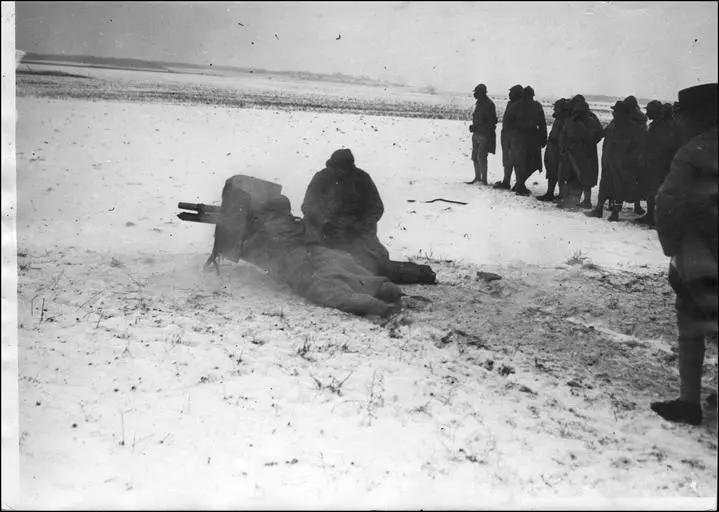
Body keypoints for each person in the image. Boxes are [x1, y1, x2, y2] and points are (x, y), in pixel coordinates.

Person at [651, 83, 718, 426]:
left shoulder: (693, 151)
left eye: (685, 114)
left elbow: (669, 204)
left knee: (692, 322)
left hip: (700, 255)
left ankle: (689, 402)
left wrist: (674, 247)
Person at [302, 149, 437, 284]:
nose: (339, 173)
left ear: (349, 168)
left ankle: (421, 273)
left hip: (356, 234)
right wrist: (325, 223)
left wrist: (358, 227)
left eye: (343, 170)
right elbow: (308, 205)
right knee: (318, 264)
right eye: (336, 169)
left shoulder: (361, 178)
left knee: (373, 267)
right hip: (327, 233)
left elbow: (376, 207)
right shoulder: (322, 178)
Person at [586, 100, 645, 221]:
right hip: (608, 160)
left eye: (616, 111)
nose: (613, 113)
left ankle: (615, 213)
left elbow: (640, 145)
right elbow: (602, 134)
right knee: (604, 185)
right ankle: (599, 209)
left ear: (622, 113)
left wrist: (629, 158)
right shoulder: (613, 124)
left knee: (619, 187)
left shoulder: (632, 127)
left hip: (622, 164)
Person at [635, 100, 683, 226]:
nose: (647, 113)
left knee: (654, 191)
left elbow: (662, 146)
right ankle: (651, 215)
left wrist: (650, 159)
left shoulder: (663, 125)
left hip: (658, 164)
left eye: (649, 111)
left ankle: (654, 217)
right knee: (653, 191)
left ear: (655, 112)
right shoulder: (660, 124)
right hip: (657, 163)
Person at [557, 95, 604, 209]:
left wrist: (590, 143)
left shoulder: (589, 119)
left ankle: (585, 201)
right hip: (573, 152)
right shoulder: (571, 119)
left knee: (585, 176)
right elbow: (564, 135)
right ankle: (572, 199)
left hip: (585, 152)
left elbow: (599, 133)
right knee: (573, 175)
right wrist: (564, 148)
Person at [503, 85, 547, 196]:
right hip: (525, 137)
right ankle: (520, 185)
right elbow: (542, 124)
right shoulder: (530, 105)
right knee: (525, 162)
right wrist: (543, 138)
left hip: (524, 137)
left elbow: (507, 122)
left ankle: (520, 184)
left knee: (524, 162)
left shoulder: (519, 105)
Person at [537, 98, 569, 202]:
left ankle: (561, 195)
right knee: (551, 170)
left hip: (558, 148)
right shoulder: (560, 118)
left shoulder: (565, 119)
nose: (554, 108)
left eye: (556, 107)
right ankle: (550, 193)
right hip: (553, 146)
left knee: (560, 172)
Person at [493, 84, 524, 190]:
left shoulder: (520, 105)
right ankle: (506, 181)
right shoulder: (511, 104)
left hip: (515, 137)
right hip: (507, 135)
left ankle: (519, 183)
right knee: (507, 159)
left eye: (512, 92)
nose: (509, 94)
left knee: (516, 160)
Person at [466, 83, 497, 185]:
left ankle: (484, 180)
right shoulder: (479, 103)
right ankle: (477, 178)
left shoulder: (489, 104)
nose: (475, 94)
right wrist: (474, 127)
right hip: (476, 134)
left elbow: (491, 122)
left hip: (484, 135)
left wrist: (484, 132)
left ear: (482, 93)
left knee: (482, 157)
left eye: (476, 92)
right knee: (475, 156)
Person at [624, 95, 650, 215]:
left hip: (631, 152)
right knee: (637, 179)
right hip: (639, 152)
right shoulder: (641, 117)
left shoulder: (630, 117)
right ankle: (637, 205)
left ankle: (634, 204)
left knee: (629, 178)